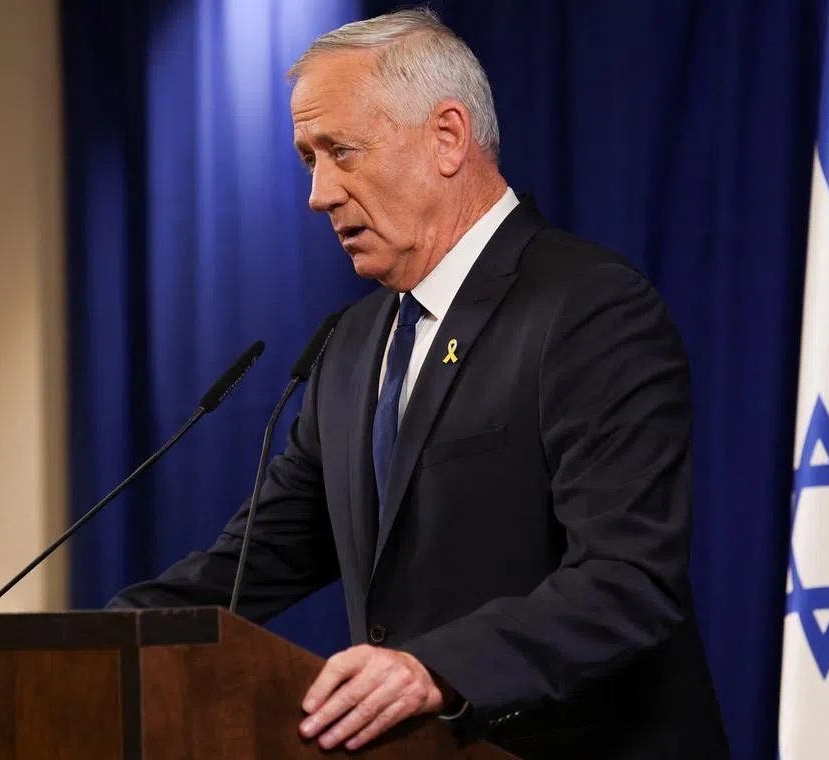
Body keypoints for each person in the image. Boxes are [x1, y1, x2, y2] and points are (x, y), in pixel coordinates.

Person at [108, 8, 729, 759]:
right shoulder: (354, 344)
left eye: (342, 151)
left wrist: (433, 667)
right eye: (309, 158)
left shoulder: (588, 307)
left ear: (446, 137)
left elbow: (627, 579)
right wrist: (87, 641)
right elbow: (248, 566)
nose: (319, 193)